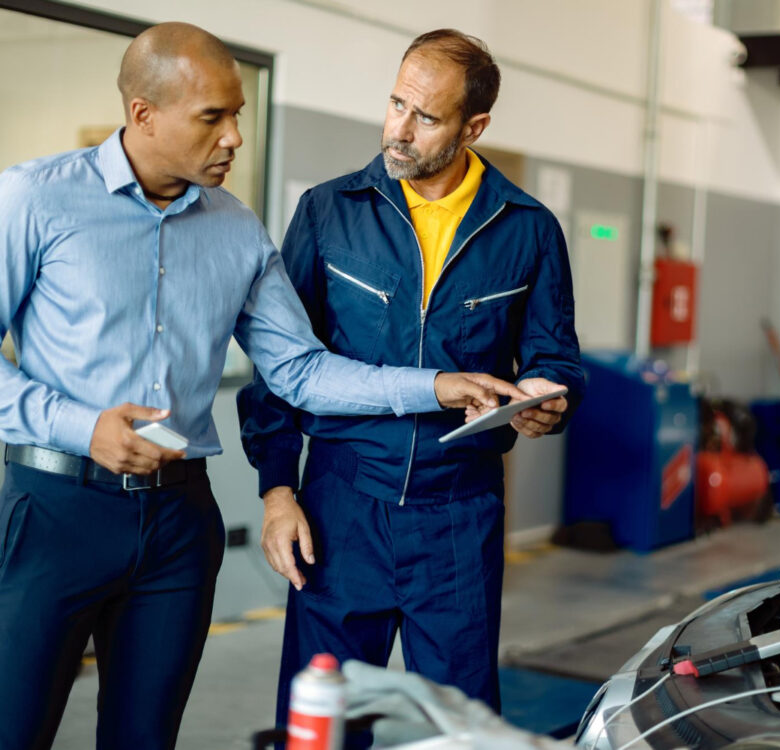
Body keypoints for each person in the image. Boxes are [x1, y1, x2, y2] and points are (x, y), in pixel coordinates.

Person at [0, 22, 520, 750]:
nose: (235, 137)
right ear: (144, 114)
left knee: (144, 738)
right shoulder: (32, 199)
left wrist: (436, 386)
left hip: (179, 523)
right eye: (213, 117)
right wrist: (79, 427)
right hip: (55, 512)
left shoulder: (237, 231)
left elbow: (301, 369)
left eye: (238, 113)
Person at [238, 28, 585, 724]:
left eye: (425, 117)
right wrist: (278, 493)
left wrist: (548, 401)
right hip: (340, 509)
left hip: (458, 516)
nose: (398, 129)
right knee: (321, 722)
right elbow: (279, 369)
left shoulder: (528, 229)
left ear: (474, 125)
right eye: (396, 103)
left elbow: (555, 358)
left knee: (461, 727)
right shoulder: (331, 212)